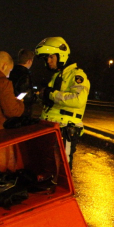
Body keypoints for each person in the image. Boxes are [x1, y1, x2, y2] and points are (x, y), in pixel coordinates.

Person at [34, 37, 90, 168]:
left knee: (62, 171)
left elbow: (78, 99)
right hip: (52, 128)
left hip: (65, 130)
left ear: (61, 55)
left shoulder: (76, 75)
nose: (48, 61)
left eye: (51, 57)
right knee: (49, 169)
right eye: (46, 58)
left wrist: (51, 94)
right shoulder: (58, 76)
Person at [8, 49, 35, 118]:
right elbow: (27, 96)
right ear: (29, 61)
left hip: (10, 107)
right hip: (22, 111)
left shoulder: (10, 72)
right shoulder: (25, 75)